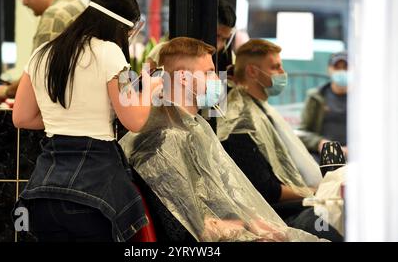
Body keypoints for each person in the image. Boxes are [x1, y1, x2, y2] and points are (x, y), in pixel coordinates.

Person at [119, 37, 324, 242]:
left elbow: (221, 197)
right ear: (183, 78)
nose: (218, 80)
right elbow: (188, 229)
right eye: (208, 73)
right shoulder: (162, 141)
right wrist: (244, 224)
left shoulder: (196, 127)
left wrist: (253, 222)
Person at [12, 0, 162, 242]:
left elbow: (22, 117)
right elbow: (134, 120)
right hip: (95, 190)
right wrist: (149, 88)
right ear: (123, 27)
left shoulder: (41, 53)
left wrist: (62, 119)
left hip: (43, 191)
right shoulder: (110, 53)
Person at [216, 39, 343, 241]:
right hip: (277, 215)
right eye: (275, 67)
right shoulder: (239, 123)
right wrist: (315, 191)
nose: (282, 72)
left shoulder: (261, 110)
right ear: (252, 72)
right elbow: (267, 190)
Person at [0, 0, 85, 101]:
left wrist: (6, 91)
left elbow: (36, 75)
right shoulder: (78, 4)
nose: (24, 2)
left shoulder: (55, 15)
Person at [299, 51, 348, 157]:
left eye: (346, 68)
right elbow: (302, 133)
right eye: (337, 67)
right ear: (329, 69)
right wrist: (319, 143)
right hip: (322, 157)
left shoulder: (362, 101)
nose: (342, 71)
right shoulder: (315, 97)